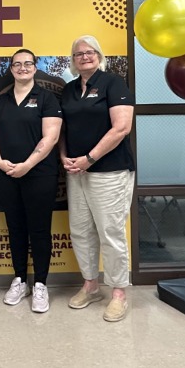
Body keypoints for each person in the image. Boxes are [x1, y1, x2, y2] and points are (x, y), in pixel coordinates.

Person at [60, 35, 135, 322]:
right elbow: (63, 131)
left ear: (99, 55)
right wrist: (64, 157)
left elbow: (121, 128)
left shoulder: (113, 84)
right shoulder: (68, 90)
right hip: (76, 172)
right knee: (80, 231)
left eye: (90, 52)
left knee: (110, 232)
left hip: (109, 171)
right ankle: (91, 285)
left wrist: (90, 158)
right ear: (73, 60)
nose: (85, 57)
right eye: (79, 54)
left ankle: (118, 292)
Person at [0, 48, 62, 313]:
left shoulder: (47, 99)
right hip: (6, 174)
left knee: (40, 230)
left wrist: (27, 165)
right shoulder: (1, 100)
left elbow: (50, 137)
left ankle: (41, 284)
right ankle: (19, 279)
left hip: (39, 174)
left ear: (35, 67)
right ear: (11, 69)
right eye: (17, 64)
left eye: (27, 63)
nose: (22, 68)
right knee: (15, 228)